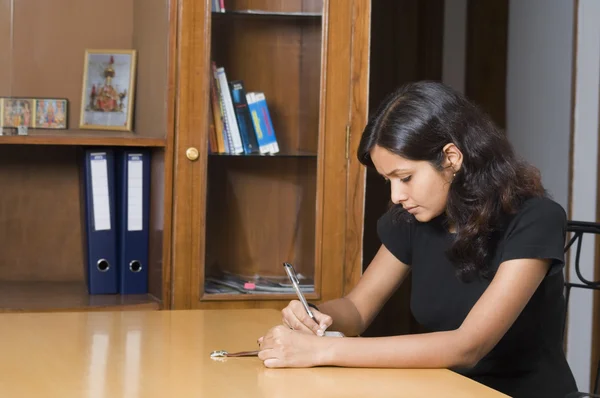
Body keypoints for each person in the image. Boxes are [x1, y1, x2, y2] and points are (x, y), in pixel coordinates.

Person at [257, 81, 578, 398]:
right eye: (389, 181)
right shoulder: (413, 218)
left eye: (405, 177)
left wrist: (322, 350)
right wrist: (312, 315)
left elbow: (467, 346)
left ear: (452, 158)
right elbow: (357, 308)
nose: (397, 196)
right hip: (445, 390)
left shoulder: (536, 218)